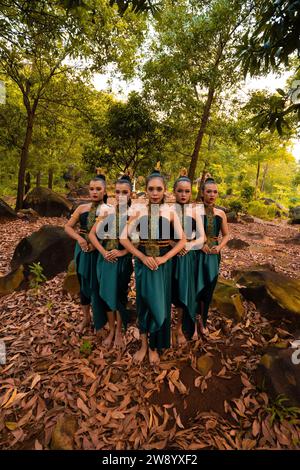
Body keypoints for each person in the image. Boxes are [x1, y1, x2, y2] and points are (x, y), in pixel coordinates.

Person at [120, 165, 186, 365]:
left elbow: (183, 240)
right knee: (144, 303)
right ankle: (144, 345)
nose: (155, 193)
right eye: (151, 189)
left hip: (163, 265)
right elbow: (124, 238)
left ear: (165, 190)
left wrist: (165, 259)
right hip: (143, 263)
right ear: (146, 190)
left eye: (159, 189)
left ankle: (157, 345)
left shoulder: (171, 212)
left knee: (161, 305)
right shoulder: (138, 211)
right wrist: (141, 255)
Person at [88, 175, 133, 350]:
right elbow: (92, 235)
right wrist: (103, 252)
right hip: (105, 260)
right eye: (117, 192)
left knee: (120, 296)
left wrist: (122, 251)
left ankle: (120, 332)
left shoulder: (135, 214)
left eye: (125, 192)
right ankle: (112, 330)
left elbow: (138, 242)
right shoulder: (107, 212)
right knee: (106, 295)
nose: (121, 195)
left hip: (122, 262)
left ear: (131, 194)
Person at [64, 173, 109, 333]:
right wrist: (80, 239)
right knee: (83, 283)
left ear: (104, 191)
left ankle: (101, 320)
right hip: (83, 249)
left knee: (98, 284)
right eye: (91, 189)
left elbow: (111, 234)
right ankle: (86, 318)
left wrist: (95, 245)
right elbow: (68, 227)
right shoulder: (81, 208)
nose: (94, 192)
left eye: (98, 189)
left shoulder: (109, 210)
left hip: (100, 250)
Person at [172, 170, 205, 345]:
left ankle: (179, 327)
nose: (183, 194)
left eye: (187, 191)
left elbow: (202, 237)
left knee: (184, 292)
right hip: (170, 256)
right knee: (171, 292)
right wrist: (175, 246)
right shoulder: (167, 210)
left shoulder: (194, 212)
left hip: (188, 257)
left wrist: (189, 245)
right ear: (173, 192)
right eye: (180, 191)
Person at [195, 177, 229, 337]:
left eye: (215, 192)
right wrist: (199, 245)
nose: (212, 195)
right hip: (197, 254)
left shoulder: (220, 213)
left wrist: (219, 247)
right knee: (196, 288)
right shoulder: (195, 211)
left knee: (208, 289)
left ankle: (203, 319)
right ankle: (193, 320)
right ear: (202, 193)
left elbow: (227, 235)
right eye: (208, 191)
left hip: (213, 256)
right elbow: (187, 235)